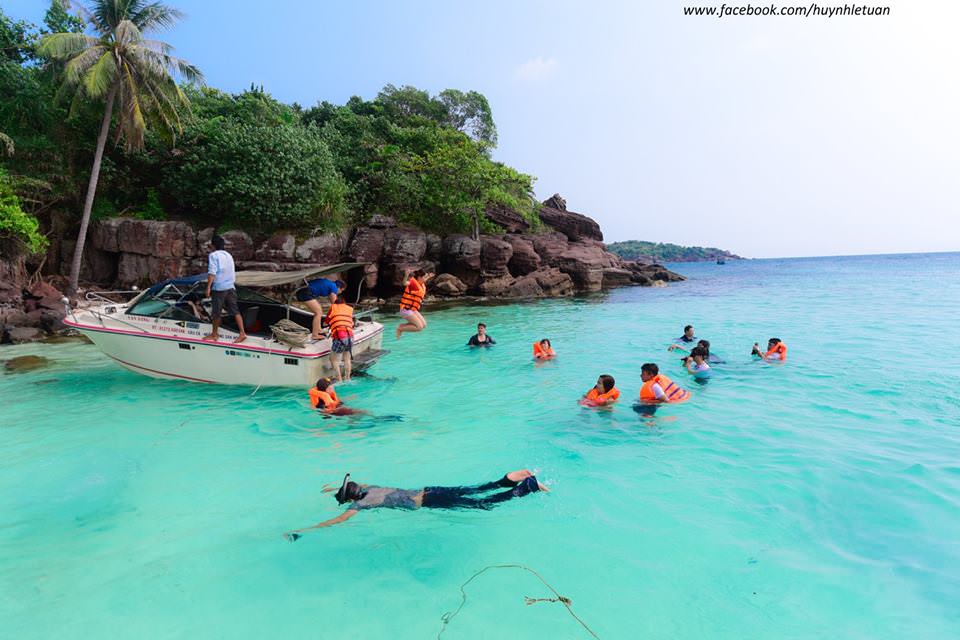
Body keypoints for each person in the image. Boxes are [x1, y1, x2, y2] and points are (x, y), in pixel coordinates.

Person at [285, 469, 547, 538]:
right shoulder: (370, 488)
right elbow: (358, 480)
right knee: (477, 489)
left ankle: (527, 487)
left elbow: (340, 520)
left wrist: (308, 529)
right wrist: (333, 486)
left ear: (350, 499)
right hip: (429, 489)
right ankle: (510, 478)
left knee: (483, 505)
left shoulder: (362, 504)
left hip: (429, 501)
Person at [203, 235, 247, 343]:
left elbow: (212, 273)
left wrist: (208, 288)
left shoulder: (213, 255)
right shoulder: (228, 255)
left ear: (213, 245)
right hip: (230, 286)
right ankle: (242, 333)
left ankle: (214, 334)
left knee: (216, 312)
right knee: (235, 310)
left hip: (219, 288)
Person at [396, 269, 433, 339]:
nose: (426, 279)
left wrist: (428, 277)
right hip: (405, 309)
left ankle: (402, 326)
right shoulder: (413, 284)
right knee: (419, 327)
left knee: (424, 325)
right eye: (424, 277)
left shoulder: (421, 284)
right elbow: (404, 283)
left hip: (413, 309)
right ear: (419, 278)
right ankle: (400, 329)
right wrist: (406, 275)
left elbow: (423, 281)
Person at [326, 296, 354, 382]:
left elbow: (327, 321)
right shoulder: (349, 308)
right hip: (350, 336)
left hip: (340, 337)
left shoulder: (333, 308)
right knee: (347, 358)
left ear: (335, 303)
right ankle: (348, 378)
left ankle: (339, 380)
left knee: (334, 359)